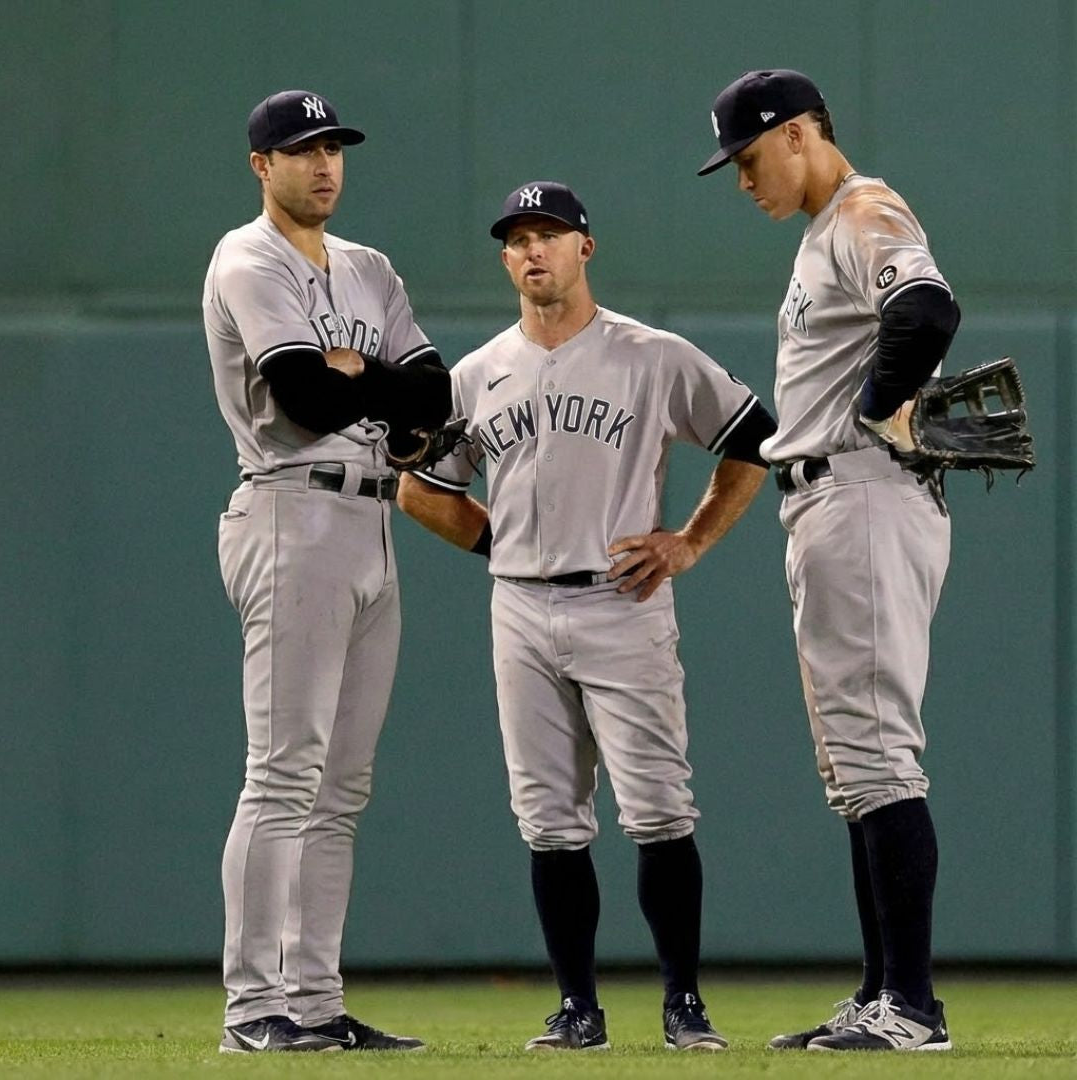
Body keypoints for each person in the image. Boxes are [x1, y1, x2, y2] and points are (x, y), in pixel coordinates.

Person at [397, 180, 776, 1052]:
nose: (534, 249)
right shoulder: (476, 374)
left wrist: (689, 541)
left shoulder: (651, 356)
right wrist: (503, 547)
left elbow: (754, 438)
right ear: (506, 259)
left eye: (550, 233)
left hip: (622, 600)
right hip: (521, 606)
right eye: (518, 238)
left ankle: (684, 1004)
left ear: (585, 247)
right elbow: (420, 489)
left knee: (659, 810)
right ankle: (578, 1009)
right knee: (548, 820)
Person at [698, 69, 960, 1052]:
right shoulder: (824, 233)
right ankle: (882, 990)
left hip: (862, 494)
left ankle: (912, 1008)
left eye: (749, 157)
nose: (742, 180)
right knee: (854, 765)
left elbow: (927, 310)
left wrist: (880, 406)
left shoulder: (862, 210)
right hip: (830, 501)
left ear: (801, 133)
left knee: (879, 753)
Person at [202, 88, 450, 1054]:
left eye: (334, 148)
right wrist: (363, 385)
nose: (323, 165)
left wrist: (363, 374)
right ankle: (251, 1007)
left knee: (341, 787)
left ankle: (313, 1002)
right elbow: (304, 398)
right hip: (289, 510)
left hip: (372, 519)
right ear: (260, 165)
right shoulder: (247, 256)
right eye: (303, 149)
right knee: (283, 774)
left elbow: (435, 396)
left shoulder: (369, 267)